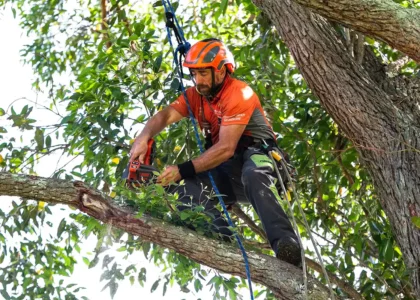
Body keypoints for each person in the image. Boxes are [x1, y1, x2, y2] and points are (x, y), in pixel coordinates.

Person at [129, 38, 301, 267]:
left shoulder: (239, 92)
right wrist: (143, 137)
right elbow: (166, 115)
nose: (197, 81)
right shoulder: (195, 97)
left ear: (220, 72)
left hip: (258, 158)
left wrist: (182, 169)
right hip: (228, 172)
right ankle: (222, 238)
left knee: (253, 173)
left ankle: (285, 243)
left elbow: (226, 148)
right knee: (181, 185)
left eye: (203, 74)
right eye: (194, 74)